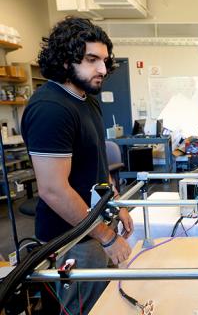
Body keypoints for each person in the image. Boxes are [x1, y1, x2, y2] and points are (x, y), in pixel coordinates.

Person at [21, 17, 133, 314]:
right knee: (86, 308)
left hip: (93, 228)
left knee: (106, 303)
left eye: (105, 61)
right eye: (91, 59)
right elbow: (54, 190)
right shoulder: (50, 109)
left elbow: (97, 161)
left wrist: (116, 202)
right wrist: (106, 237)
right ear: (65, 60)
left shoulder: (87, 98)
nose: (102, 70)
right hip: (72, 238)